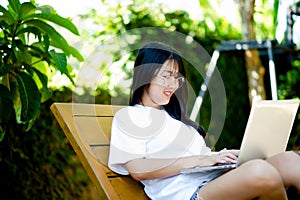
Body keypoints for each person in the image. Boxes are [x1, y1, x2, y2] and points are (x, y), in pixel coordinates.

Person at [108, 41, 300, 199]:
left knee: (289, 160)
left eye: (177, 78)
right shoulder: (129, 117)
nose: (173, 85)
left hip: (213, 180)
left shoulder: (177, 119)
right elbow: (137, 169)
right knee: (261, 172)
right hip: (187, 193)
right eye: (166, 76)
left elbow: (203, 159)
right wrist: (201, 160)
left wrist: (223, 158)